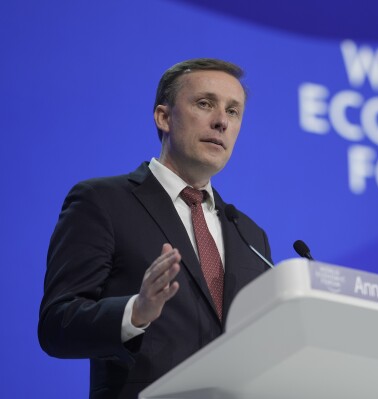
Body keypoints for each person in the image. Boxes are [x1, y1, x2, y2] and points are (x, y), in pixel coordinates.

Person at [38, 58, 272, 399]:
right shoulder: (102, 201)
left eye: (233, 111)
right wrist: (135, 312)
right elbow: (56, 326)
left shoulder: (249, 235)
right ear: (164, 117)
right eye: (205, 104)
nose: (221, 121)